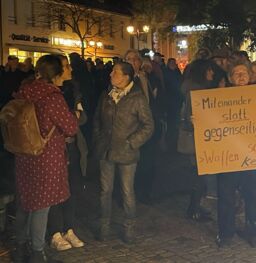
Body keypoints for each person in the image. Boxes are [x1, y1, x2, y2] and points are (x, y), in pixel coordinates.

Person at [13, 55, 78, 263]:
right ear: (56, 74)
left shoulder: (25, 91)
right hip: (46, 157)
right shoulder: (52, 98)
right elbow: (70, 127)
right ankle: (37, 252)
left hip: (24, 155)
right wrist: (75, 114)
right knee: (42, 205)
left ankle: (20, 246)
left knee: (26, 201)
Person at [93, 62, 154, 243]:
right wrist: (98, 139)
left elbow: (148, 125)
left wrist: (132, 142)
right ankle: (104, 227)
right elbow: (97, 120)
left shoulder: (137, 98)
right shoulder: (106, 95)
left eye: (115, 72)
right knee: (105, 191)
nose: (111, 74)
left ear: (126, 77)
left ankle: (129, 228)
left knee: (127, 191)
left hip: (126, 153)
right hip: (106, 151)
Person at [216, 63, 256, 248]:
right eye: (237, 73)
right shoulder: (219, 99)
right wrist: (198, 120)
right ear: (230, 78)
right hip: (228, 157)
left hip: (253, 156)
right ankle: (225, 234)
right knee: (226, 196)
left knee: (253, 195)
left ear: (250, 76)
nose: (241, 76)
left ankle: (255, 233)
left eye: (244, 72)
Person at [47, 55, 87, 251]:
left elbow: (81, 118)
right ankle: (54, 231)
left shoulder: (73, 89)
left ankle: (68, 228)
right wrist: (73, 117)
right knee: (54, 190)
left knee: (72, 187)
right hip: (53, 148)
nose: (69, 69)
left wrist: (75, 116)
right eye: (65, 66)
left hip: (71, 145)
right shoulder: (48, 93)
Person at [180, 59, 215, 222]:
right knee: (199, 175)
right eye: (209, 70)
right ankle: (193, 209)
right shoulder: (197, 92)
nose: (212, 73)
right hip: (197, 141)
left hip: (198, 140)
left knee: (199, 175)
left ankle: (195, 207)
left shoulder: (193, 89)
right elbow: (191, 118)